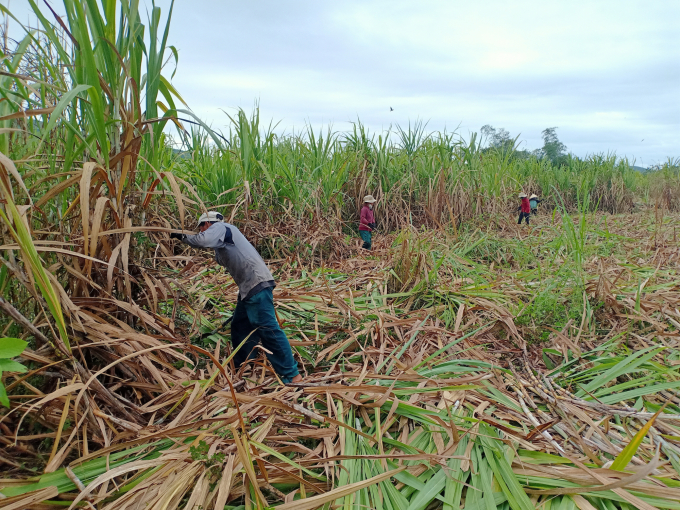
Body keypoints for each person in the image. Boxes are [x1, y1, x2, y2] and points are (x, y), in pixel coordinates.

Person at [170, 211, 302, 383]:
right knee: (240, 326)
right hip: (248, 288)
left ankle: (293, 375)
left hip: (256, 285)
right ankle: (243, 365)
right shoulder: (225, 237)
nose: (201, 231)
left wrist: (182, 236)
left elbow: (202, 240)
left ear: (207, 224)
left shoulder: (220, 227)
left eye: (201, 227)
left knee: (269, 330)